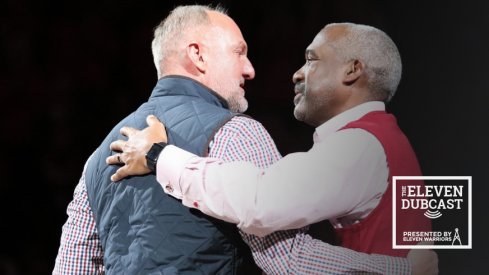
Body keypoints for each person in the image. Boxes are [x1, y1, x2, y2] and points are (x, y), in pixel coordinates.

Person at [108, 23, 438, 274]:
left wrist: (160, 156)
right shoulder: (385, 140)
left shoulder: (360, 146)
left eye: (312, 60)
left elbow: (258, 203)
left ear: (352, 70)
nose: (297, 74)